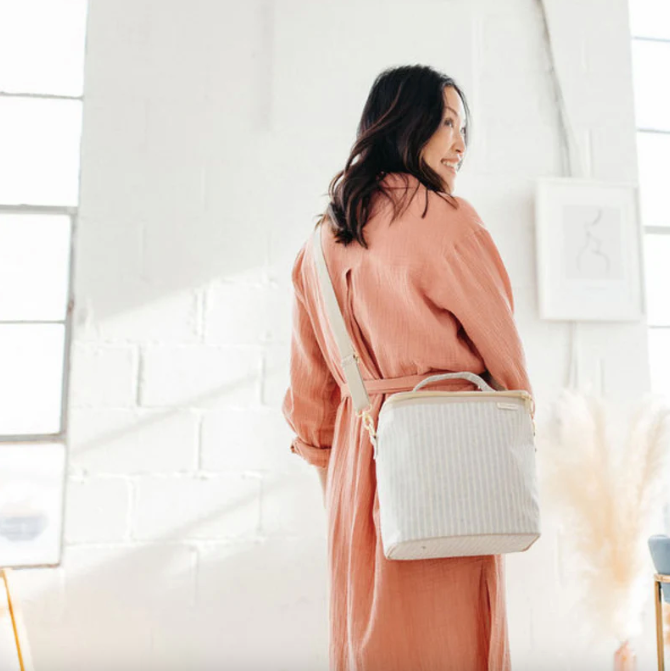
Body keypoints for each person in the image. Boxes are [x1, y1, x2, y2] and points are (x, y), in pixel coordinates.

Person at [281, 64, 534, 671]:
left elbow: (310, 402)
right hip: (447, 465)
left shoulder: (319, 244)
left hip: (354, 471)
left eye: (463, 127)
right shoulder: (448, 224)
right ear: (404, 123)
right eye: (446, 123)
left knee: (371, 646)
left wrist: (349, 493)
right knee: (453, 643)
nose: (460, 144)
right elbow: (510, 372)